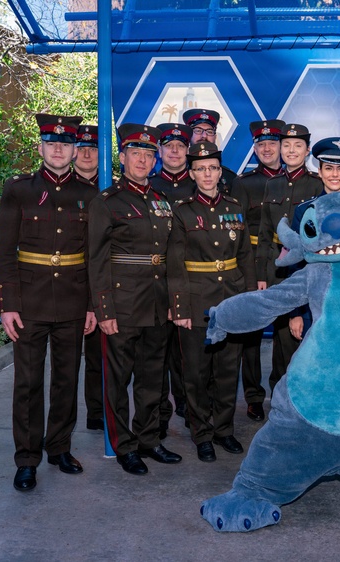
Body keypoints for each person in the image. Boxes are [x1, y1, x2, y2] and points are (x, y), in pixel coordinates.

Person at [0, 114, 98, 491]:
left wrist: (91, 305)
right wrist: (7, 304)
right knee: (27, 382)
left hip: (72, 300)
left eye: (65, 143)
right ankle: (26, 459)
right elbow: (5, 252)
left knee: (67, 379)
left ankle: (59, 447)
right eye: (51, 142)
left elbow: (93, 257)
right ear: (40, 147)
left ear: (75, 150)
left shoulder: (90, 196)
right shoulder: (18, 189)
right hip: (29, 302)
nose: (58, 148)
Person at [88, 123, 183, 476]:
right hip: (123, 304)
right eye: (135, 153)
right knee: (118, 379)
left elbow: (169, 256)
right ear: (123, 157)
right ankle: (124, 445)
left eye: (148, 154)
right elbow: (96, 260)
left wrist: (174, 300)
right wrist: (103, 308)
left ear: (155, 159)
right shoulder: (107, 201)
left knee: (152, 378)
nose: (142, 160)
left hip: (157, 304)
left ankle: (148, 440)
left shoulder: (161, 200)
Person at [168, 141, 257, 462]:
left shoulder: (234, 207)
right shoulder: (182, 212)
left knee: (227, 370)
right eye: (201, 169)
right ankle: (202, 433)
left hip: (231, 301)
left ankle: (224, 430)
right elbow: (174, 265)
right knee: (195, 373)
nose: (208, 174)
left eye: (213, 168)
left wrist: (247, 302)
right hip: (195, 303)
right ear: (192, 173)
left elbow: (245, 256)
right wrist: (178, 308)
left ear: (221, 172)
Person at [255, 123, 323, 390]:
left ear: (307, 151)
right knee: (280, 334)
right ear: (280, 150)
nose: (291, 150)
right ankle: (279, 391)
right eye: (286, 145)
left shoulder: (317, 185)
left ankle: (303, 392)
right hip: (276, 267)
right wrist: (261, 274)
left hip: (306, 267)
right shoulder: (272, 184)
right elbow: (263, 234)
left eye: (298, 146)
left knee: (302, 334)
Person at [233, 119, 286, 423]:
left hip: (285, 260)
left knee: (285, 332)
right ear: (254, 148)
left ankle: (280, 392)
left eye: (272, 143)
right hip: (253, 260)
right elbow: (238, 228)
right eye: (261, 144)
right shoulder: (245, 182)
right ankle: (253, 396)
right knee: (251, 334)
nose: (267, 148)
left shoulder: (295, 180)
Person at [286, 137, 340, 340]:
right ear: (320, 172)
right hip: (313, 305)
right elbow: (295, 264)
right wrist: (295, 312)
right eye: (328, 168)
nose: (335, 174)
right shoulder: (305, 211)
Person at [151, 122, 195, 437]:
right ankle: (160, 416)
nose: (175, 151)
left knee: (189, 354)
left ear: (188, 150)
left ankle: (190, 408)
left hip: (190, 280)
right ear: (160, 151)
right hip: (152, 281)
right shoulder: (149, 186)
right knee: (157, 354)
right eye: (169, 146)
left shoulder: (200, 186)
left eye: (180, 146)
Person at [72, 124, 105, 432]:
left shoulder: (109, 188)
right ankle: (92, 412)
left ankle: (104, 410)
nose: (86, 153)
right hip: (70, 281)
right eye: (81, 148)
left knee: (103, 354)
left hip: (106, 282)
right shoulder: (62, 189)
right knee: (74, 360)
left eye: (93, 148)